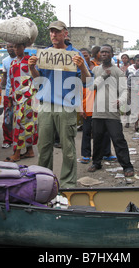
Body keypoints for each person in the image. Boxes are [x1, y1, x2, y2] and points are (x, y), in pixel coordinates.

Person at [28, 20, 91, 188]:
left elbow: (87, 82)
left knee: (68, 147)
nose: (53, 35)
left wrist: (82, 68)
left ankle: (68, 183)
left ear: (65, 34)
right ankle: (44, 180)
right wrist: (32, 68)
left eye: (57, 32)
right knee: (44, 146)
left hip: (67, 106)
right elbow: (37, 80)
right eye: (51, 32)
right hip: (46, 105)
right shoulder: (44, 54)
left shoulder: (74, 54)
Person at [87, 44, 134, 177]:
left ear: (112, 55)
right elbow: (91, 87)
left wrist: (122, 100)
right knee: (97, 139)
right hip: (98, 112)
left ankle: (127, 166)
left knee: (118, 139)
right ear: (99, 54)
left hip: (112, 112)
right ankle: (96, 162)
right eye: (102, 52)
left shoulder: (118, 72)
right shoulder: (96, 70)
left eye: (107, 52)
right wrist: (103, 75)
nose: (104, 54)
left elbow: (125, 90)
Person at [5, 43, 37, 162]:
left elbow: (37, 77)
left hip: (28, 97)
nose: (16, 49)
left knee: (22, 124)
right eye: (15, 47)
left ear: (24, 47)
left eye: (19, 47)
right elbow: (11, 81)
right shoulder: (13, 62)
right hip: (16, 98)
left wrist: (33, 67)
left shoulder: (30, 60)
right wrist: (9, 97)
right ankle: (29, 151)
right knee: (23, 123)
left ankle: (17, 153)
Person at [0, 43, 15, 149]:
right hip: (8, 93)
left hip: (20, 94)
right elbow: (5, 77)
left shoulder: (23, 60)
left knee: (20, 119)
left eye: (13, 46)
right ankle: (8, 140)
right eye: (8, 47)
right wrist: (0, 86)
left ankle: (20, 140)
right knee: (7, 119)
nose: (10, 49)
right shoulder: (5, 61)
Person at [126, 54, 139, 131]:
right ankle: (127, 121)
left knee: (136, 106)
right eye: (137, 60)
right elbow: (126, 76)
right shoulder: (130, 68)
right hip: (129, 88)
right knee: (128, 105)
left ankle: (136, 124)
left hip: (138, 90)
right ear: (134, 61)